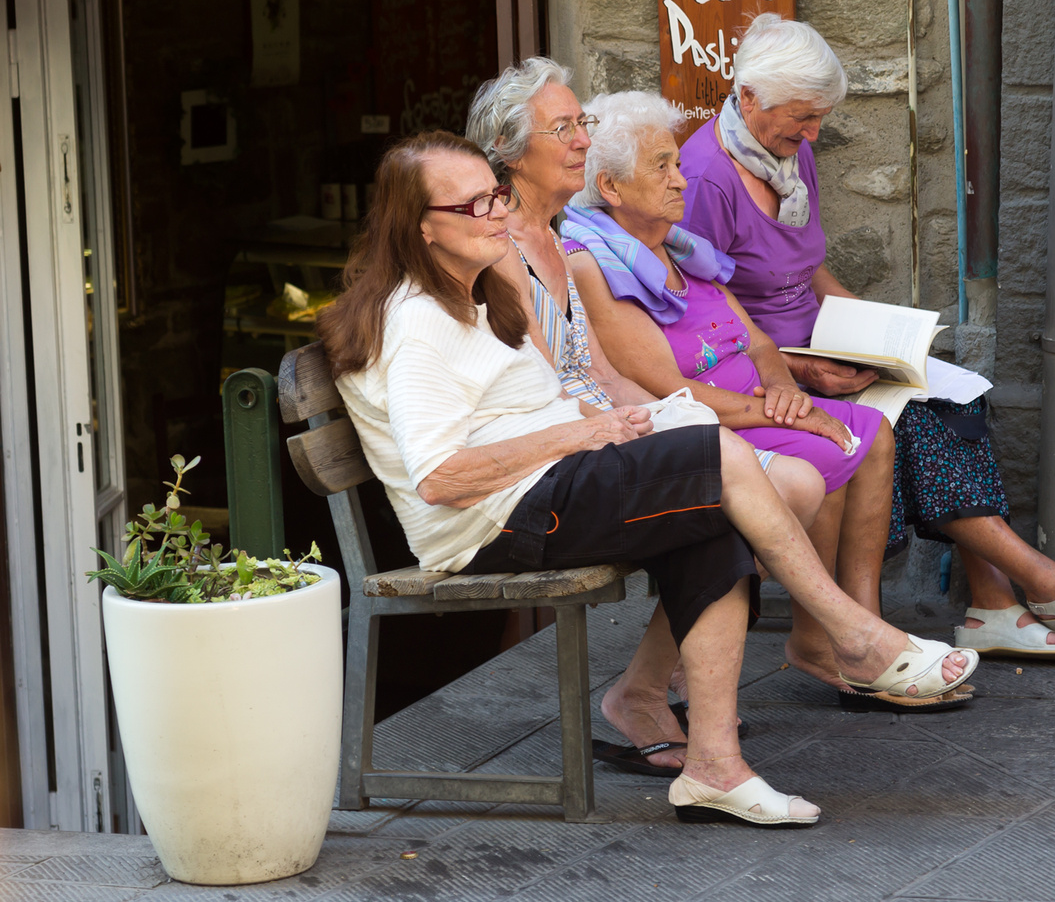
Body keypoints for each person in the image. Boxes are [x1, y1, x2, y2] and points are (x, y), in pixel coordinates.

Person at [317, 130, 976, 825]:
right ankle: (859, 635)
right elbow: (441, 477)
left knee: (713, 514)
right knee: (715, 456)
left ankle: (714, 767)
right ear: (421, 228)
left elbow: (542, 408)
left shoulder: (477, 298)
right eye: (473, 205)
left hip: (547, 489)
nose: (497, 213)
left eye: (496, 195)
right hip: (494, 522)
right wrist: (585, 430)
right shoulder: (417, 321)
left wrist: (625, 423)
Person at [681, 14, 1055, 657]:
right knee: (914, 425)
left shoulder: (789, 153)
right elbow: (704, 305)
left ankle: (993, 604)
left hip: (822, 343)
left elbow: (804, 262)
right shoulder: (706, 177)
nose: (815, 133)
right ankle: (1032, 587)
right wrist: (799, 367)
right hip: (758, 372)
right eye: (804, 117)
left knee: (954, 399)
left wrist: (873, 327)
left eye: (820, 117)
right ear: (749, 98)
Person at [465, 60, 831, 770]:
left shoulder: (558, 237)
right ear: (512, 152)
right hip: (547, 471)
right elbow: (555, 392)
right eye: (564, 127)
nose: (581, 138)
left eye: (581, 124)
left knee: (781, 479)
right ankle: (834, 636)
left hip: (597, 439)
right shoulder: (503, 247)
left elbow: (600, 376)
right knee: (763, 485)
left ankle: (655, 695)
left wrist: (678, 419)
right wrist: (658, 428)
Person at [562, 92, 940, 714]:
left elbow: (759, 341)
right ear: (610, 185)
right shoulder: (594, 265)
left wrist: (788, 391)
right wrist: (783, 412)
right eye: (662, 167)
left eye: (676, 163)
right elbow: (664, 390)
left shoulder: (680, 247)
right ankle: (832, 640)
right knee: (827, 448)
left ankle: (848, 627)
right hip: (705, 421)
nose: (681, 178)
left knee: (870, 431)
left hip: (754, 402)